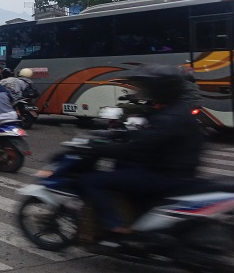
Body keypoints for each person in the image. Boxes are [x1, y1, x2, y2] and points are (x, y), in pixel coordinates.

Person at [79, 64, 204, 241]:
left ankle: (115, 226)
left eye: (150, 88)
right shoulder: (172, 110)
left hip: (166, 175)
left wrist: (100, 148)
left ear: (161, 89)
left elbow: (138, 146)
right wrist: (114, 134)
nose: (147, 91)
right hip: (172, 169)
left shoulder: (171, 116)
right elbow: (144, 133)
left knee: (92, 180)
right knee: (123, 166)